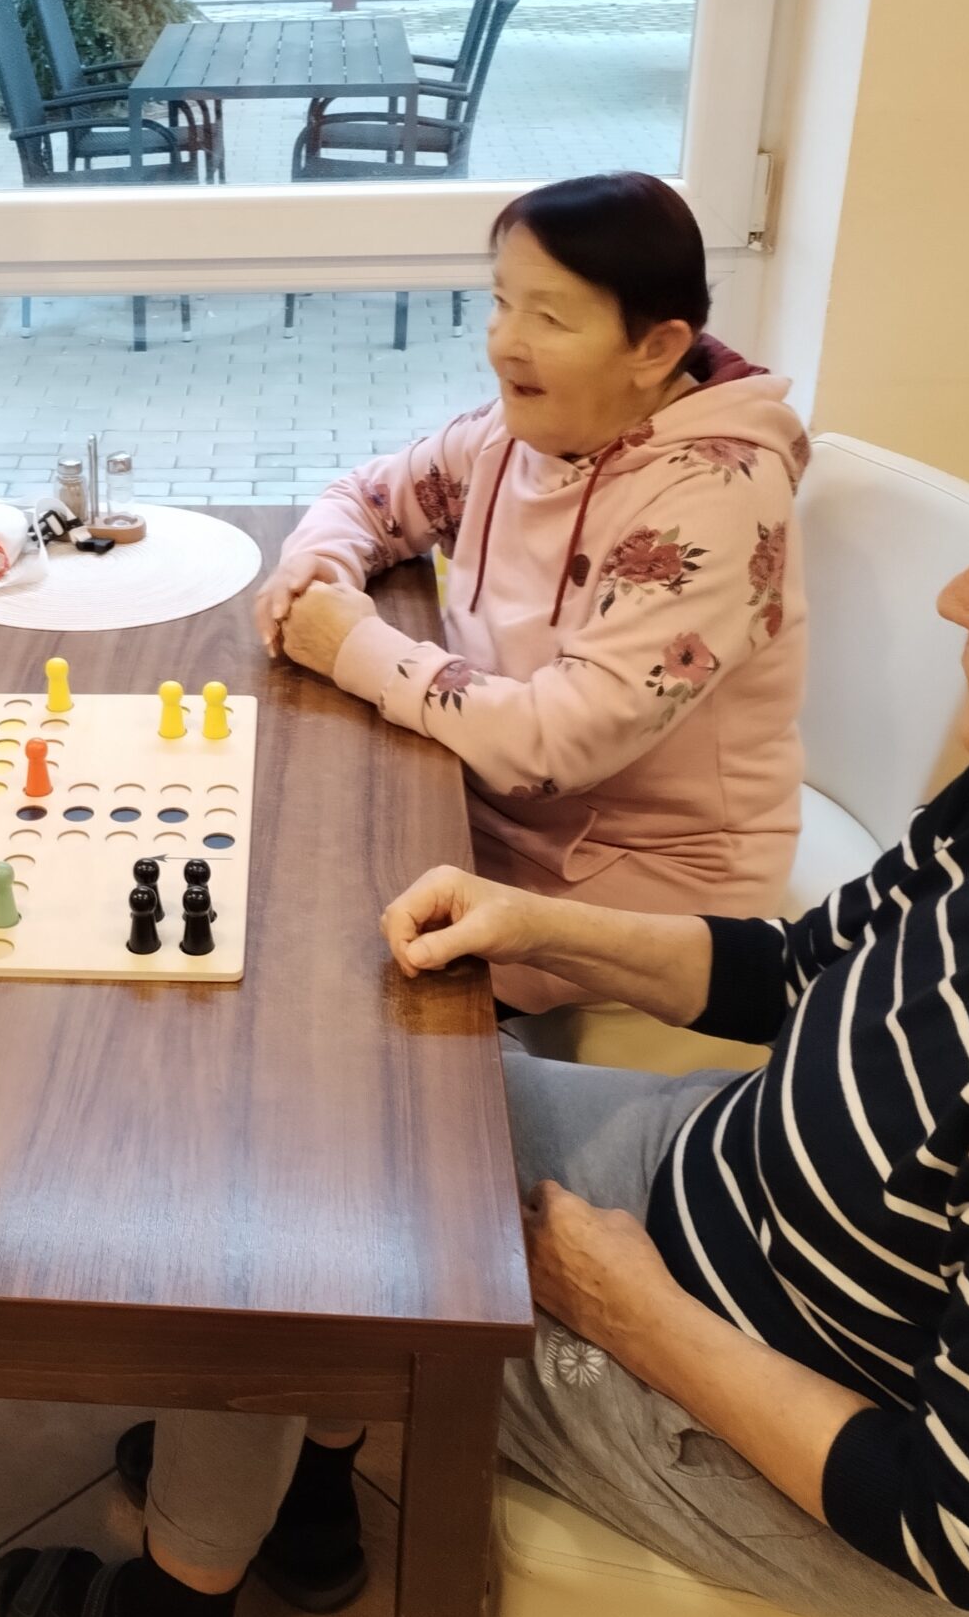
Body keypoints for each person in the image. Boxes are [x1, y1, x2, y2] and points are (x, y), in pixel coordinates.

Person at [0, 355, 969, 1617]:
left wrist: (627, 1310)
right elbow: (811, 969)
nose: (961, 599)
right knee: (317, 1092)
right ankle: (291, 1485)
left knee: (284, 1253)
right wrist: (538, 924)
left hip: (807, 1463)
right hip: (729, 1194)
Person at [256, 172, 809, 1013]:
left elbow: (556, 745)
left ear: (656, 349)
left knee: (325, 980)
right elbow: (367, 499)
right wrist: (320, 570)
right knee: (279, 878)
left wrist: (352, 647)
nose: (505, 343)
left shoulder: (718, 495)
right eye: (501, 302)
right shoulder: (525, 432)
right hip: (480, 808)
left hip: (646, 884)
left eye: (549, 318)